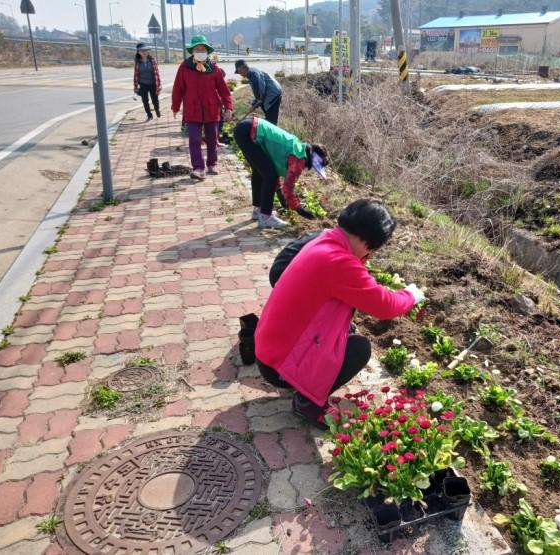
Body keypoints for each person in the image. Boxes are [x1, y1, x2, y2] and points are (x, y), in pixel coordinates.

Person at [254, 200, 425, 426]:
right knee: (358, 349)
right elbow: (385, 306)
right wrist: (411, 295)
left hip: (269, 350)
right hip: (278, 366)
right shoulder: (340, 262)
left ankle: (304, 382)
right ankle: (308, 402)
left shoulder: (325, 240)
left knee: (344, 330)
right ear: (371, 243)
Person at [233, 116, 327, 229]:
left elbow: (273, 164)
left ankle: (258, 211)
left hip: (245, 128)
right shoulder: (298, 159)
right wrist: (299, 209)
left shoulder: (297, 147)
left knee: (260, 172)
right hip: (249, 132)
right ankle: (265, 217)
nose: (308, 168)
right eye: (312, 166)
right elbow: (288, 187)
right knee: (269, 176)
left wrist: (278, 190)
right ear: (311, 159)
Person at [171, 35, 233, 181]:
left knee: (212, 138)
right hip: (192, 110)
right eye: (197, 49)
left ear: (207, 51)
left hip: (211, 109)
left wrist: (228, 107)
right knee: (194, 139)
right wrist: (175, 106)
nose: (200, 51)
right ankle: (198, 168)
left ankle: (212, 164)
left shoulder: (214, 69)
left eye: (202, 49)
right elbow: (178, 88)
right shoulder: (185, 67)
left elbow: (224, 90)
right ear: (192, 51)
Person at [234, 59, 283, 124]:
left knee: (271, 120)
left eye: (239, 71)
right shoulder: (251, 73)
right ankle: (269, 130)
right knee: (269, 117)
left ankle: (272, 132)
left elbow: (260, 90)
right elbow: (258, 93)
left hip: (273, 94)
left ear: (243, 68)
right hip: (272, 93)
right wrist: (255, 103)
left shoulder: (253, 74)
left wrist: (258, 101)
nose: (239, 74)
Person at [133, 43, 162, 122]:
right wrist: (135, 86)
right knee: (145, 101)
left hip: (153, 84)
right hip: (143, 84)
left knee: (155, 100)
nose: (144, 52)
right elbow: (136, 75)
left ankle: (157, 111)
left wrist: (159, 85)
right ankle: (149, 115)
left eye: (145, 50)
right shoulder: (138, 62)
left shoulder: (152, 61)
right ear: (138, 52)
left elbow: (157, 74)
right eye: (142, 51)